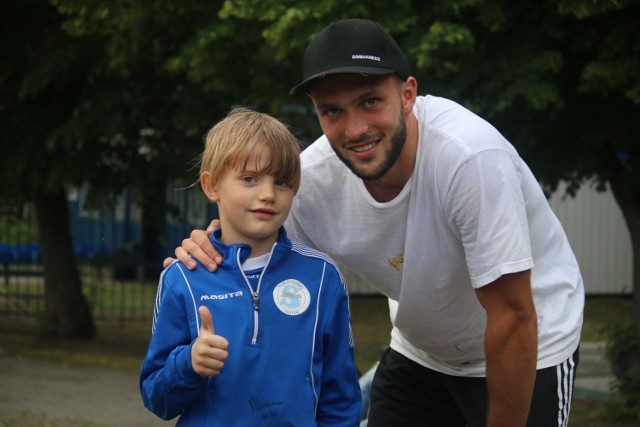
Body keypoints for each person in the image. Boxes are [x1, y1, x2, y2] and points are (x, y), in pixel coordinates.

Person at [168, 19, 584, 427]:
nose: (355, 129)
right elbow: (252, 255)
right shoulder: (309, 184)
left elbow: (513, 316)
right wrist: (207, 249)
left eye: (370, 101)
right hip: (422, 352)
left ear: (407, 94)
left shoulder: (468, 159)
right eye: (332, 111)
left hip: (529, 344)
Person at [140, 107, 362, 426]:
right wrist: (189, 364)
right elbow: (157, 399)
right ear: (211, 185)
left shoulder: (322, 277)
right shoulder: (182, 278)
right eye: (249, 179)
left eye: (282, 182)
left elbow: (340, 398)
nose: (268, 194)